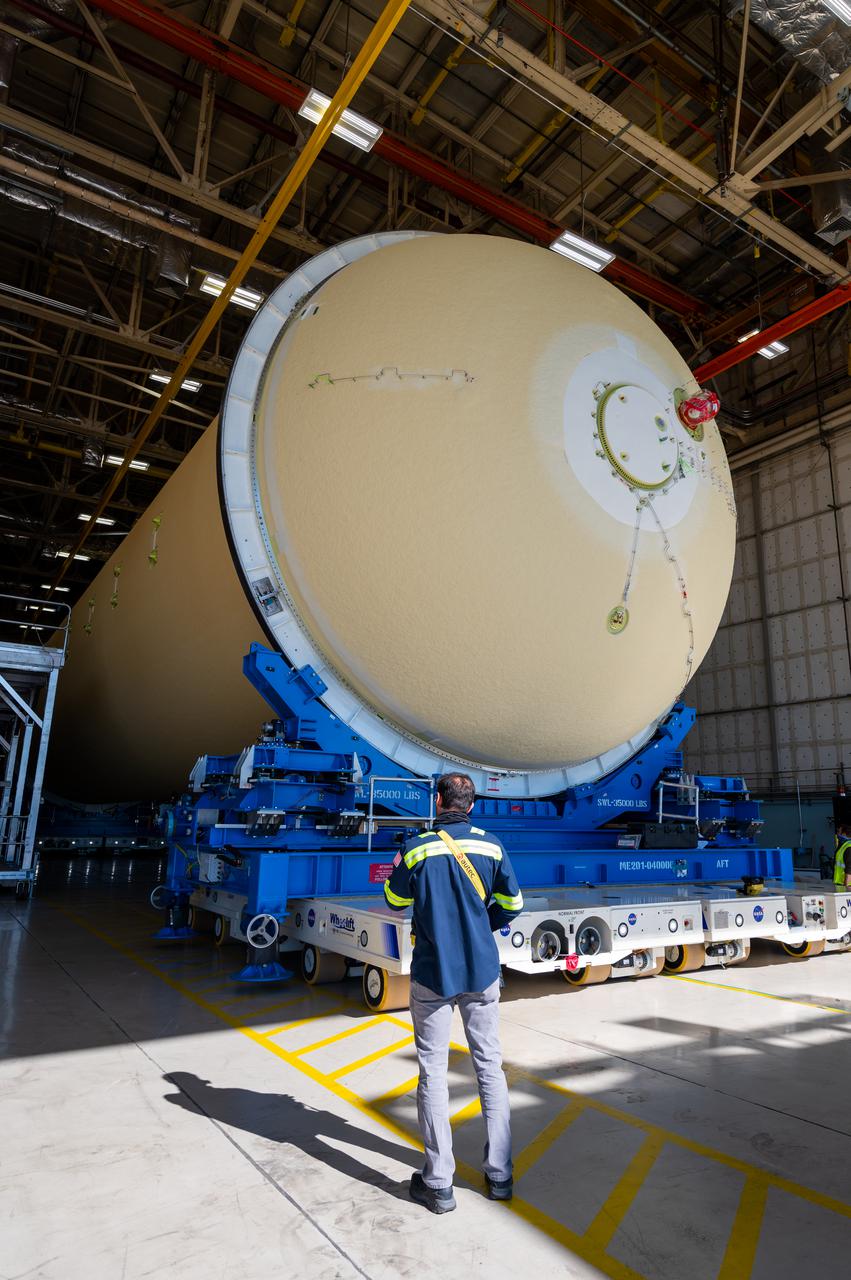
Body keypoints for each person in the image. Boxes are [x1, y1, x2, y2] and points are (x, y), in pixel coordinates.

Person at [383, 772, 524, 1215]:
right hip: (481, 973)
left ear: (439, 800)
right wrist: (483, 925)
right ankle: (499, 1175)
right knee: (489, 1068)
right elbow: (514, 905)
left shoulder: (416, 847)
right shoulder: (492, 845)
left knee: (433, 1073)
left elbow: (393, 900)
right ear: (472, 805)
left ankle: (439, 1182)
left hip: (433, 974)